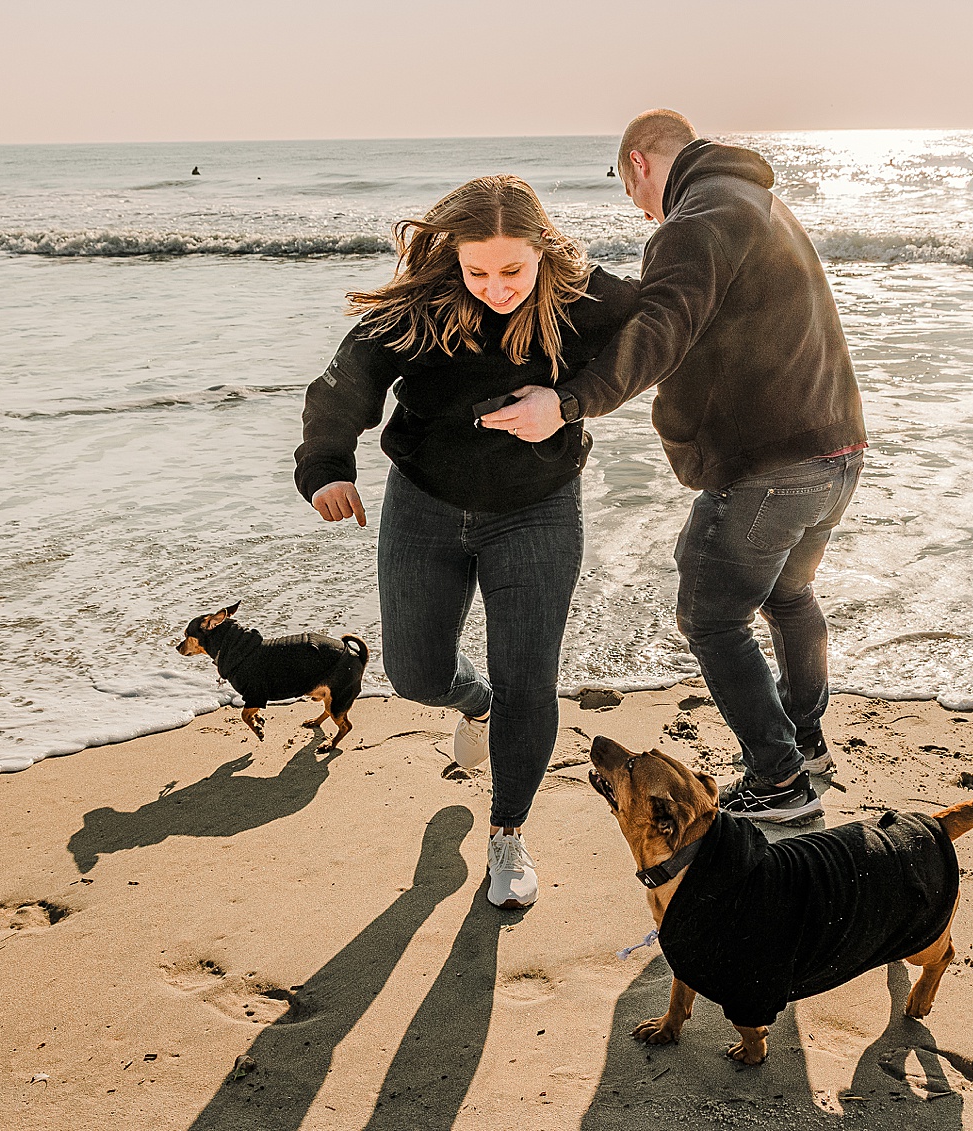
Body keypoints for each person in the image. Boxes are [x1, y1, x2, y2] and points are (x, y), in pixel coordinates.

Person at [483, 110, 867, 824]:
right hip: (838, 453)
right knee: (787, 596)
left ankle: (780, 780)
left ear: (639, 162)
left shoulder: (694, 220)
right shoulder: (759, 202)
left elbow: (659, 328)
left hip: (770, 466)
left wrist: (569, 402)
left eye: (627, 185)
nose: (635, 202)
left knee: (711, 616)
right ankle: (806, 746)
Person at [294, 175, 636, 907]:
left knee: (530, 678)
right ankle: (473, 701)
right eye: (477, 270)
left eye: (513, 269)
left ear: (543, 250)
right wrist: (326, 469)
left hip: (537, 509)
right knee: (414, 673)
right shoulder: (422, 306)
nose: (496, 287)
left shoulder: (587, 300)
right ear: (453, 258)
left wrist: (574, 400)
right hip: (426, 502)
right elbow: (343, 385)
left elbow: (669, 332)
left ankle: (508, 832)